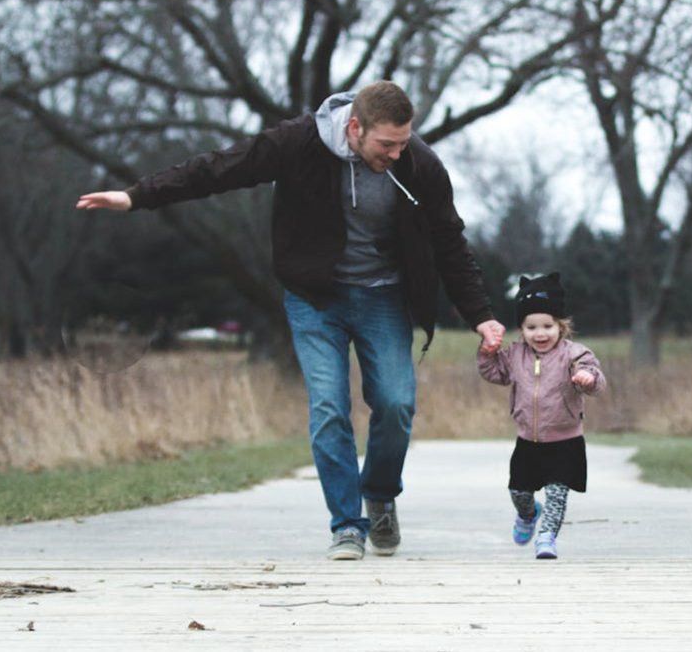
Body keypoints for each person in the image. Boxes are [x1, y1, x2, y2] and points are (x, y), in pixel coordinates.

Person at [76, 81, 505, 560]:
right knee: (328, 408)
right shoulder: (298, 142)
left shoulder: (419, 164)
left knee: (396, 403)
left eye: (403, 142)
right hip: (314, 297)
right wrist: (137, 197)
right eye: (387, 144)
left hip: (383, 296)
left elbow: (450, 242)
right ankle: (347, 525)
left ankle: (380, 494)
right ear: (355, 127)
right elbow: (220, 168)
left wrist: (481, 317)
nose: (396, 153)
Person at [477, 273, 606, 559]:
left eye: (548, 326)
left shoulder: (575, 355)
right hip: (528, 441)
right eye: (531, 327)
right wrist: (487, 353)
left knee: (557, 496)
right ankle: (528, 514)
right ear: (521, 329)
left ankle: (546, 538)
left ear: (561, 326)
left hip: (566, 441)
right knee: (519, 493)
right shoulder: (514, 356)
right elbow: (493, 373)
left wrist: (588, 377)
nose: (540, 333)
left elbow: (596, 378)